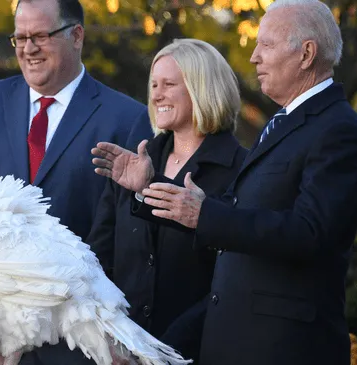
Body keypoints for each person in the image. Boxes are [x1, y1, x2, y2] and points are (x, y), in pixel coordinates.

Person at [92, 1, 357, 364]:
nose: (254, 57)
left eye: (266, 45)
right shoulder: (285, 124)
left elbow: (311, 232)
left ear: (306, 53)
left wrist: (204, 215)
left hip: (284, 349)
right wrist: (150, 185)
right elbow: (237, 213)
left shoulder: (338, 130)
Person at [0, 0, 149, 363]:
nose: (28, 49)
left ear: (76, 35)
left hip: (78, 346)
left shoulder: (126, 119)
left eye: (40, 36)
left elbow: (131, 243)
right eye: (19, 38)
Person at [88, 38, 247, 363]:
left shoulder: (243, 170)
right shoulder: (132, 166)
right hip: (121, 353)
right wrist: (109, 334)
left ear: (202, 88)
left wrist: (163, 351)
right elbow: (97, 260)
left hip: (199, 353)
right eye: (154, 85)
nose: (156, 94)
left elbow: (235, 279)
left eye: (169, 84)